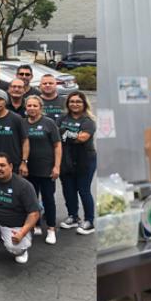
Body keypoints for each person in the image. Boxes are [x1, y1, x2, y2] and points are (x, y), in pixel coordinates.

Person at [24, 96, 61, 244]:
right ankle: (36, 224)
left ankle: (51, 228)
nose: (32, 108)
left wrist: (57, 166)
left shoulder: (49, 123)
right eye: (29, 105)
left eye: (35, 105)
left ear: (40, 107)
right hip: (29, 169)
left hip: (46, 169)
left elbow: (57, 146)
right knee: (32, 199)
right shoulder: (22, 123)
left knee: (48, 199)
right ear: (26, 107)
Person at [58, 91, 97, 235]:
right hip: (66, 157)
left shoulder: (88, 121)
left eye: (78, 102)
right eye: (72, 101)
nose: (75, 104)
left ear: (84, 104)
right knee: (68, 189)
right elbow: (56, 134)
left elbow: (83, 138)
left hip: (85, 159)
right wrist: (68, 134)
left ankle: (89, 221)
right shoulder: (62, 117)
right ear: (68, 103)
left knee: (83, 190)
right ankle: (73, 217)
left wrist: (66, 134)